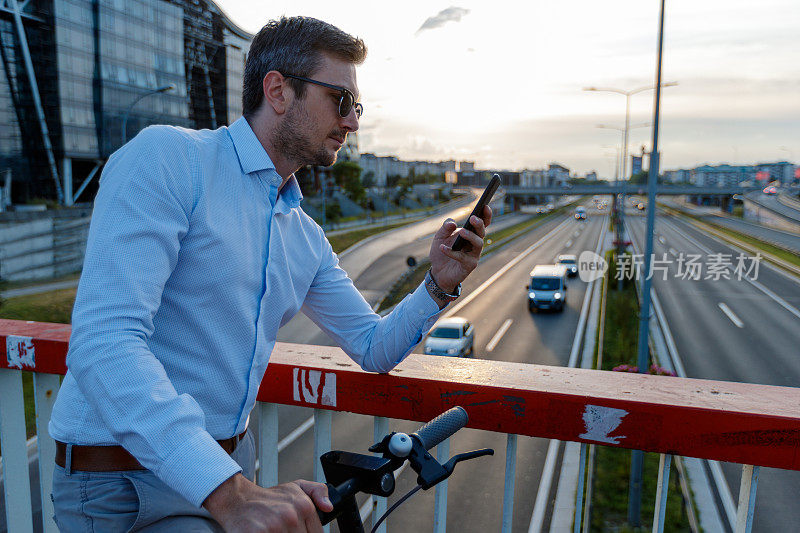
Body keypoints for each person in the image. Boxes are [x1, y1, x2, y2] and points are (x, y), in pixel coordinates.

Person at [48, 15, 491, 533]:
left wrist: (438, 283)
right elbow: (105, 343)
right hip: (124, 485)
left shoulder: (303, 237)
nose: (351, 122)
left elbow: (373, 346)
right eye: (341, 101)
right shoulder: (169, 159)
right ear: (278, 91)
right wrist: (229, 491)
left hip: (227, 474)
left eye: (357, 107)